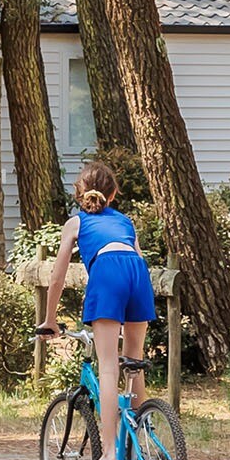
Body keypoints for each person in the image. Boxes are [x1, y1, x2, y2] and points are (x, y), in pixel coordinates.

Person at [39, 158, 159, 433]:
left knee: (107, 367)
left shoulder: (77, 222)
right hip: (138, 275)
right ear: (113, 194)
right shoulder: (126, 222)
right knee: (133, 361)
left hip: (108, 273)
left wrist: (50, 319)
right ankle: (143, 440)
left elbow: (57, 277)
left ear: (79, 193)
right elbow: (137, 259)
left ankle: (109, 454)